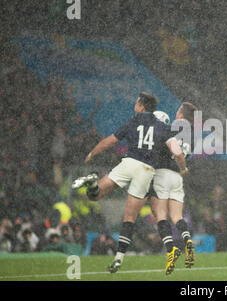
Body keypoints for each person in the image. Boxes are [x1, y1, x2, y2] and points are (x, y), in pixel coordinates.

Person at [72, 92, 188, 273]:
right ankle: (118, 260)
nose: (135, 105)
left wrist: (91, 154)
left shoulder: (132, 122)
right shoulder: (161, 127)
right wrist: (183, 168)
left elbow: (108, 142)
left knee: (95, 195)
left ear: (141, 106)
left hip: (128, 163)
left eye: (137, 102)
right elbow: (178, 152)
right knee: (129, 218)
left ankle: (93, 183)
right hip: (146, 171)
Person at [147, 102, 197, 275]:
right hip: (177, 176)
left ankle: (171, 250)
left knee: (160, 215)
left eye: (177, 110)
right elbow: (184, 155)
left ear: (181, 113)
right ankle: (187, 241)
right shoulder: (192, 135)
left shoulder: (173, 126)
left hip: (163, 173)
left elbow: (163, 146)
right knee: (177, 216)